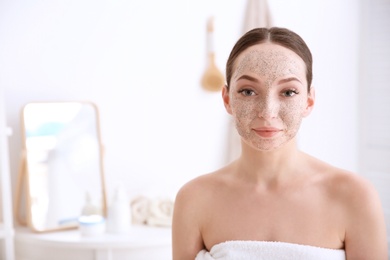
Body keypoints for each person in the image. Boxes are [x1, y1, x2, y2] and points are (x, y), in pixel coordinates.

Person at [172, 27, 388, 260]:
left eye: (288, 92)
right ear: (227, 100)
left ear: (309, 101)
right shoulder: (194, 199)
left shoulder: (354, 196)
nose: (267, 112)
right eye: (248, 91)